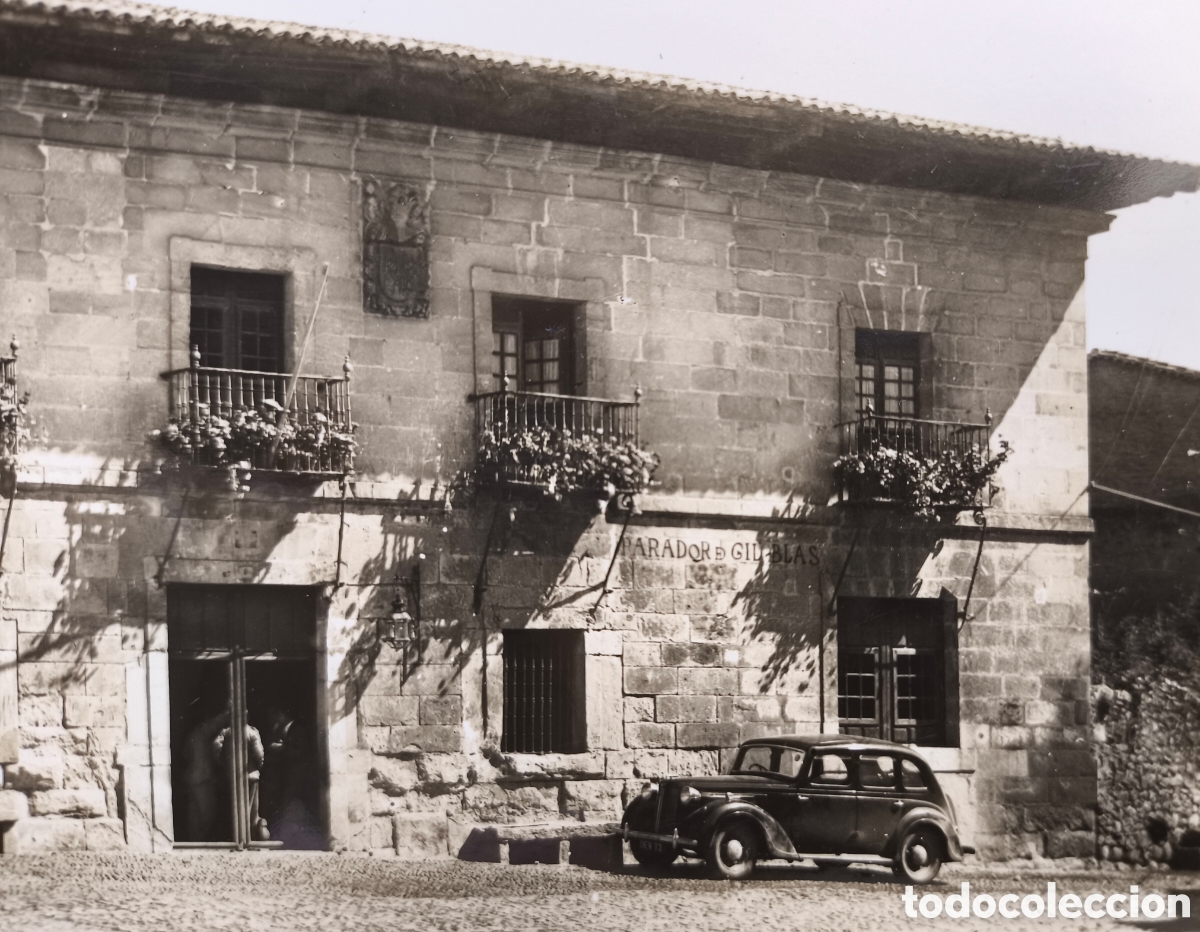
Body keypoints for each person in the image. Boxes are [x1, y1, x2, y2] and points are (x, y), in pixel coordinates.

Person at [183, 705, 229, 842]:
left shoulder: (192, 735)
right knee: (207, 813)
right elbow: (215, 724)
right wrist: (229, 711)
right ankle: (200, 843)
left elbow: (186, 754)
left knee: (195, 814)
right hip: (202, 779)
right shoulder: (201, 731)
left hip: (193, 778)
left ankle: (195, 841)